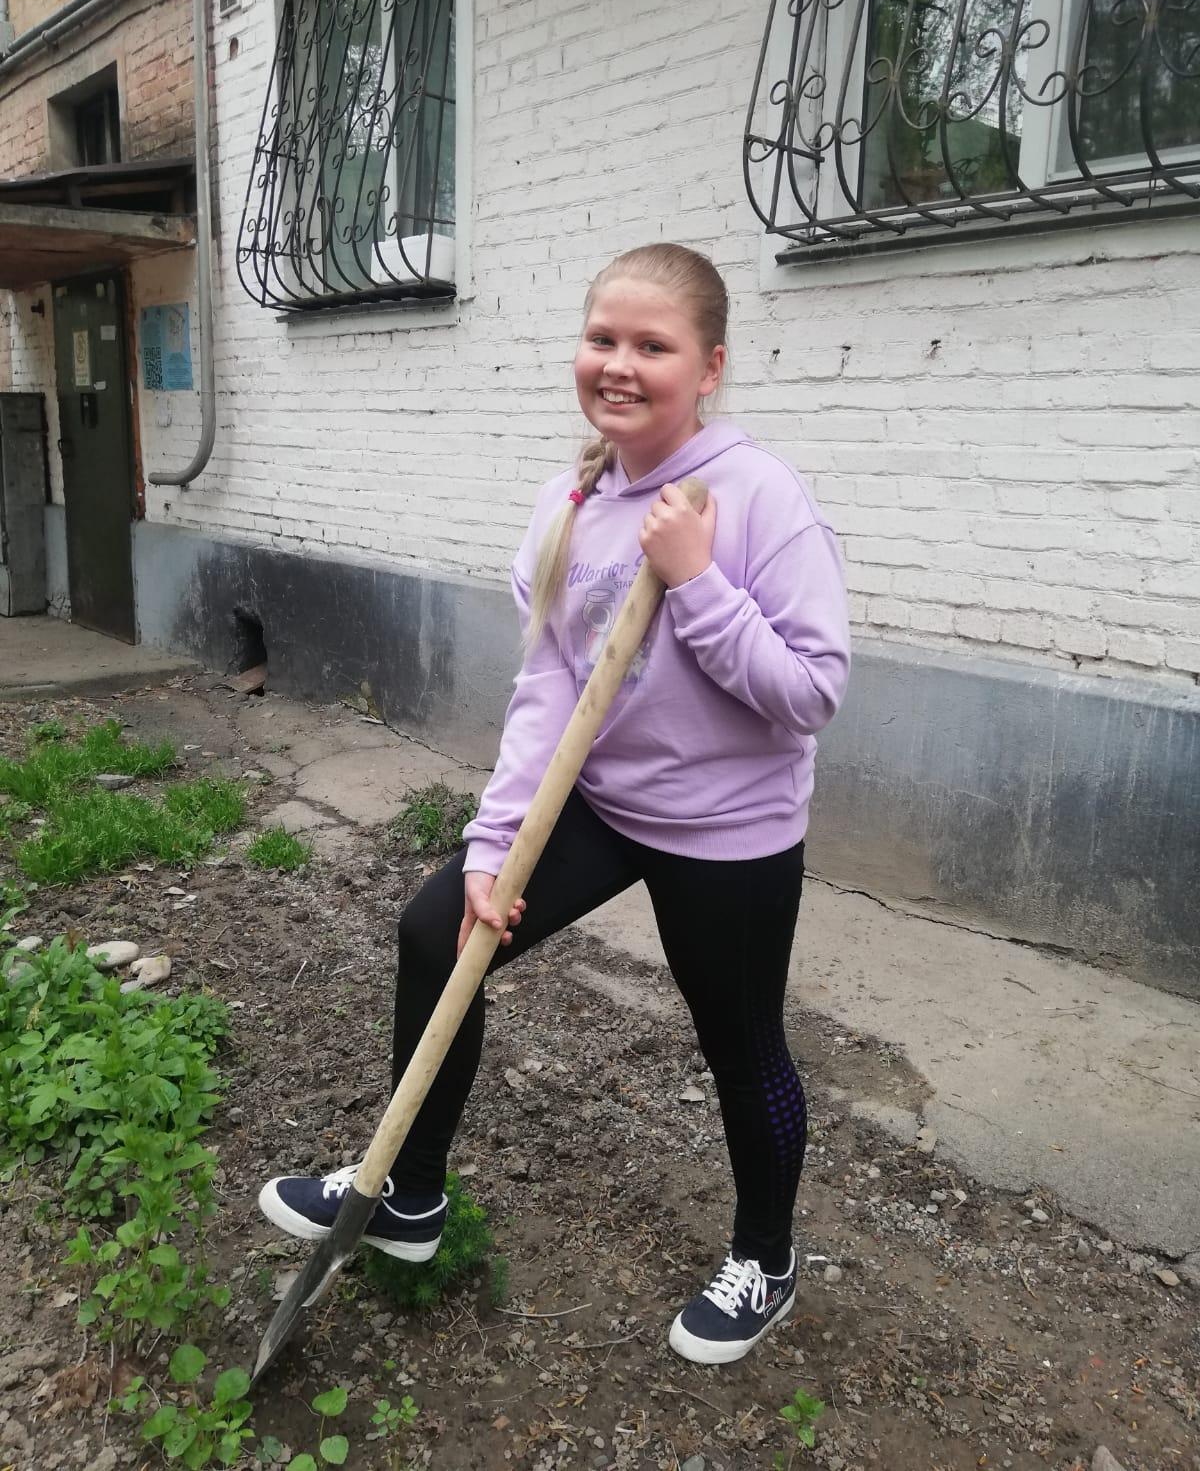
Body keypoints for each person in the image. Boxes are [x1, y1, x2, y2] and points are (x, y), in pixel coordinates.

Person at [259, 243, 851, 1364]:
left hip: (728, 830)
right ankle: (409, 1195)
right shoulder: (567, 503)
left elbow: (811, 693)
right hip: (602, 802)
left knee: (739, 1042)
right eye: (602, 338)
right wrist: (492, 844)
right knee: (439, 930)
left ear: (710, 367)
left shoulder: (758, 497)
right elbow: (548, 689)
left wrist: (699, 579)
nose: (619, 364)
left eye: (652, 345)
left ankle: (765, 1259)